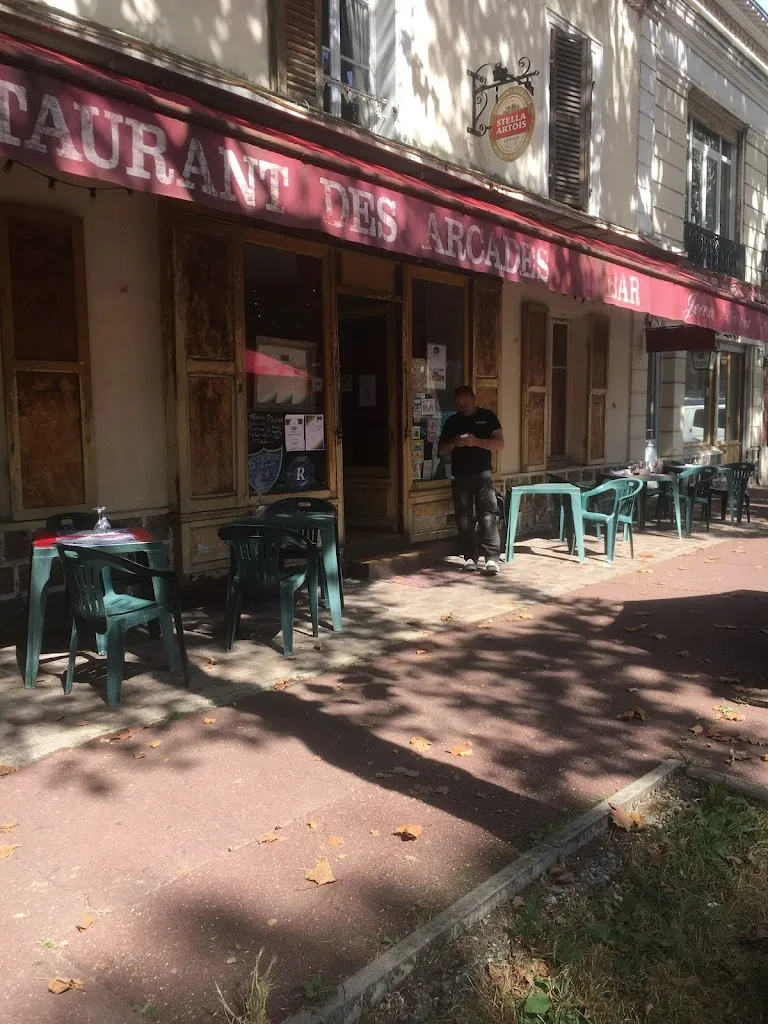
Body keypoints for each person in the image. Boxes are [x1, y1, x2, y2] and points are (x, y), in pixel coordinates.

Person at [437, 385, 504, 574]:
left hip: (483, 473)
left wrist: (476, 442)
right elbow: (441, 450)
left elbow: (500, 444)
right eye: (459, 405)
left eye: (466, 404)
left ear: (474, 399)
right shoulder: (452, 421)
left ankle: (491, 558)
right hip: (460, 475)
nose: (463, 408)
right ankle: (469, 557)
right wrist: (455, 442)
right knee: (463, 518)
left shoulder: (488, 417)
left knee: (488, 515)